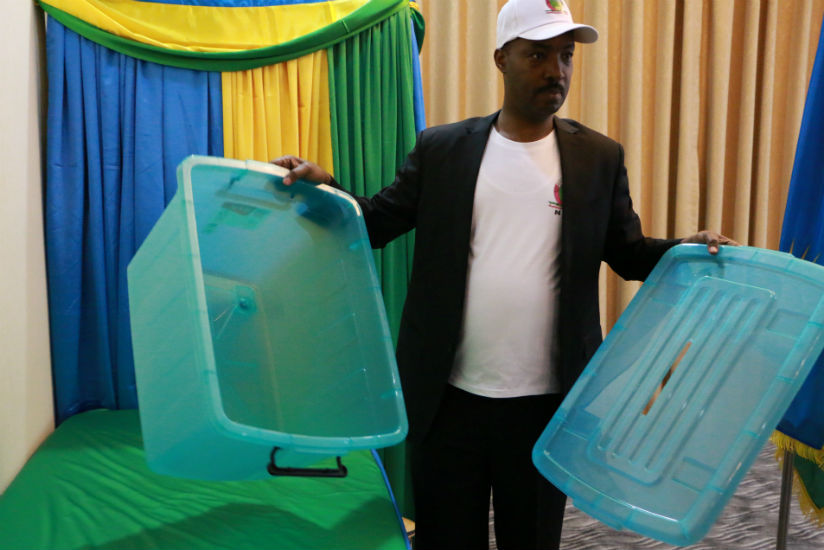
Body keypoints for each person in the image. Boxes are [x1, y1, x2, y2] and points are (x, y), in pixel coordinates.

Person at [273, 0, 736, 547]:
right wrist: (326, 187)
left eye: (565, 55)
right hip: (449, 402)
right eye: (537, 54)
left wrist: (685, 249)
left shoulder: (599, 158)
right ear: (501, 59)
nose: (555, 70)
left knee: (532, 540)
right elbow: (375, 223)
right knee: (447, 539)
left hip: (548, 408)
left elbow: (629, 253)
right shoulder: (443, 150)